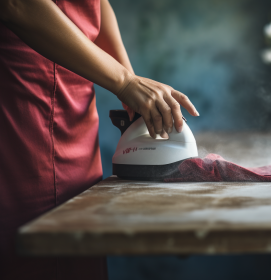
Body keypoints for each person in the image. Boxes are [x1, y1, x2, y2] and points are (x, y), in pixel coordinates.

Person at [0, 0, 199, 279]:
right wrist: (124, 82)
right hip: (24, 104)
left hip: (79, 109)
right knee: (32, 252)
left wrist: (130, 85)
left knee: (80, 252)